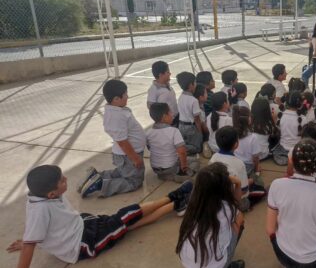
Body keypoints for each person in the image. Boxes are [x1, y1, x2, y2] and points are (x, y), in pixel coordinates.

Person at [8, 165, 192, 267]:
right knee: (127, 216)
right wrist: (28, 243)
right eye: (62, 181)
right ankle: (174, 199)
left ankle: (176, 202)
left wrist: (28, 240)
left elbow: (35, 233)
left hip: (83, 225)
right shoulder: (39, 210)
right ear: (51, 194)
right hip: (84, 243)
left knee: (128, 223)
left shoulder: (40, 196)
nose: (66, 180)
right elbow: (32, 241)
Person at [267, 139, 316, 267]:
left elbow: (270, 229)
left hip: (283, 254)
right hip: (313, 261)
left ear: (291, 161)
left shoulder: (277, 185)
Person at [79, 79, 146, 198]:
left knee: (122, 172)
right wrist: (135, 158)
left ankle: (96, 176)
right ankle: (101, 185)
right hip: (128, 156)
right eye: (125, 94)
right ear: (116, 99)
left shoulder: (114, 110)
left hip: (125, 157)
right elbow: (123, 142)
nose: (127, 96)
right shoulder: (117, 116)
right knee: (134, 181)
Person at [176, 163, 245, 268]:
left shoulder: (194, 201)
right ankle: (226, 263)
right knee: (239, 220)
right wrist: (238, 184)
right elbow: (238, 207)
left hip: (188, 263)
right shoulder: (226, 208)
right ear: (225, 186)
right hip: (215, 265)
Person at [146, 103, 199, 182]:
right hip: (171, 167)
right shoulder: (174, 131)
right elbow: (182, 152)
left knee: (176, 158)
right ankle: (178, 176)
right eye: (170, 112)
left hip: (155, 168)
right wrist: (184, 167)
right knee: (195, 162)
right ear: (164, 116)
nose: (172, 114)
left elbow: (149, 148)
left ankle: (164, 175)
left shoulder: (148, 132)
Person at [209, 126, 251, 212]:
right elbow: (243, 191)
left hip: (215, 199)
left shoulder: (213, 158)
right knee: (250, 198)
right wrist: (250, 182)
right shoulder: (239, 163)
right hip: (231, 202)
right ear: (236, 144)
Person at [273, 91, 307, 166]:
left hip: (282, 147)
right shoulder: (303, 118)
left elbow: (278, 129)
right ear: (300, 104)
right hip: (297, 148)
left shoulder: (281, 115)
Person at [146, 61, 178, 126]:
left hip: (176, 118)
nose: (170, 73)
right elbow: (152, 108)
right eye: (167, 72)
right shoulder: (153, 90)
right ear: (160, 75)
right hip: (167, 123)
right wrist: (163, 121)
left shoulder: (167, 84)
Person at [233, 105, 262, 175]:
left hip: (234, 163)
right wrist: (257, 168)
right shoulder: (253, 137)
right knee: (257, 177)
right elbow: (256, 158)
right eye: (250, 116)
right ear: (248, 119)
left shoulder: (232, 133)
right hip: (247, 166)